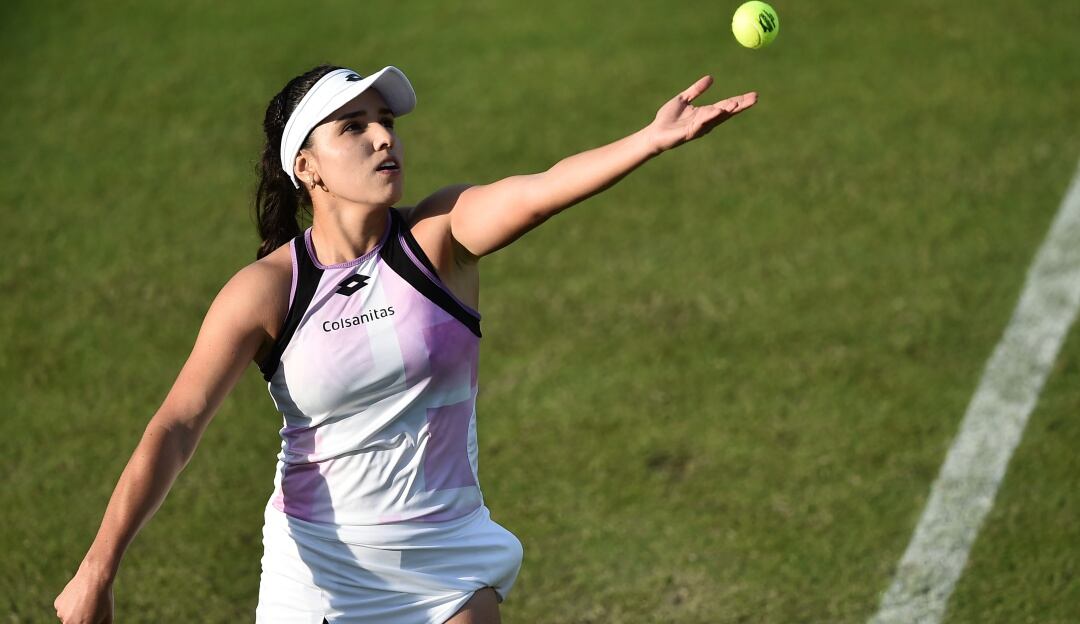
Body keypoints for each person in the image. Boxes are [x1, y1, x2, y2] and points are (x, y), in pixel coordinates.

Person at [53, 63, 756, 624]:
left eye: (385, 122)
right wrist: (98, 568)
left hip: (448, 557)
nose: (384, 137)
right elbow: (176, 426)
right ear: (307, 166)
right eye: (354, 127)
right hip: (322, 573)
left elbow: (541, 189)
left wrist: (647, 140)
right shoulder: (269, 290)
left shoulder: (438, 240)